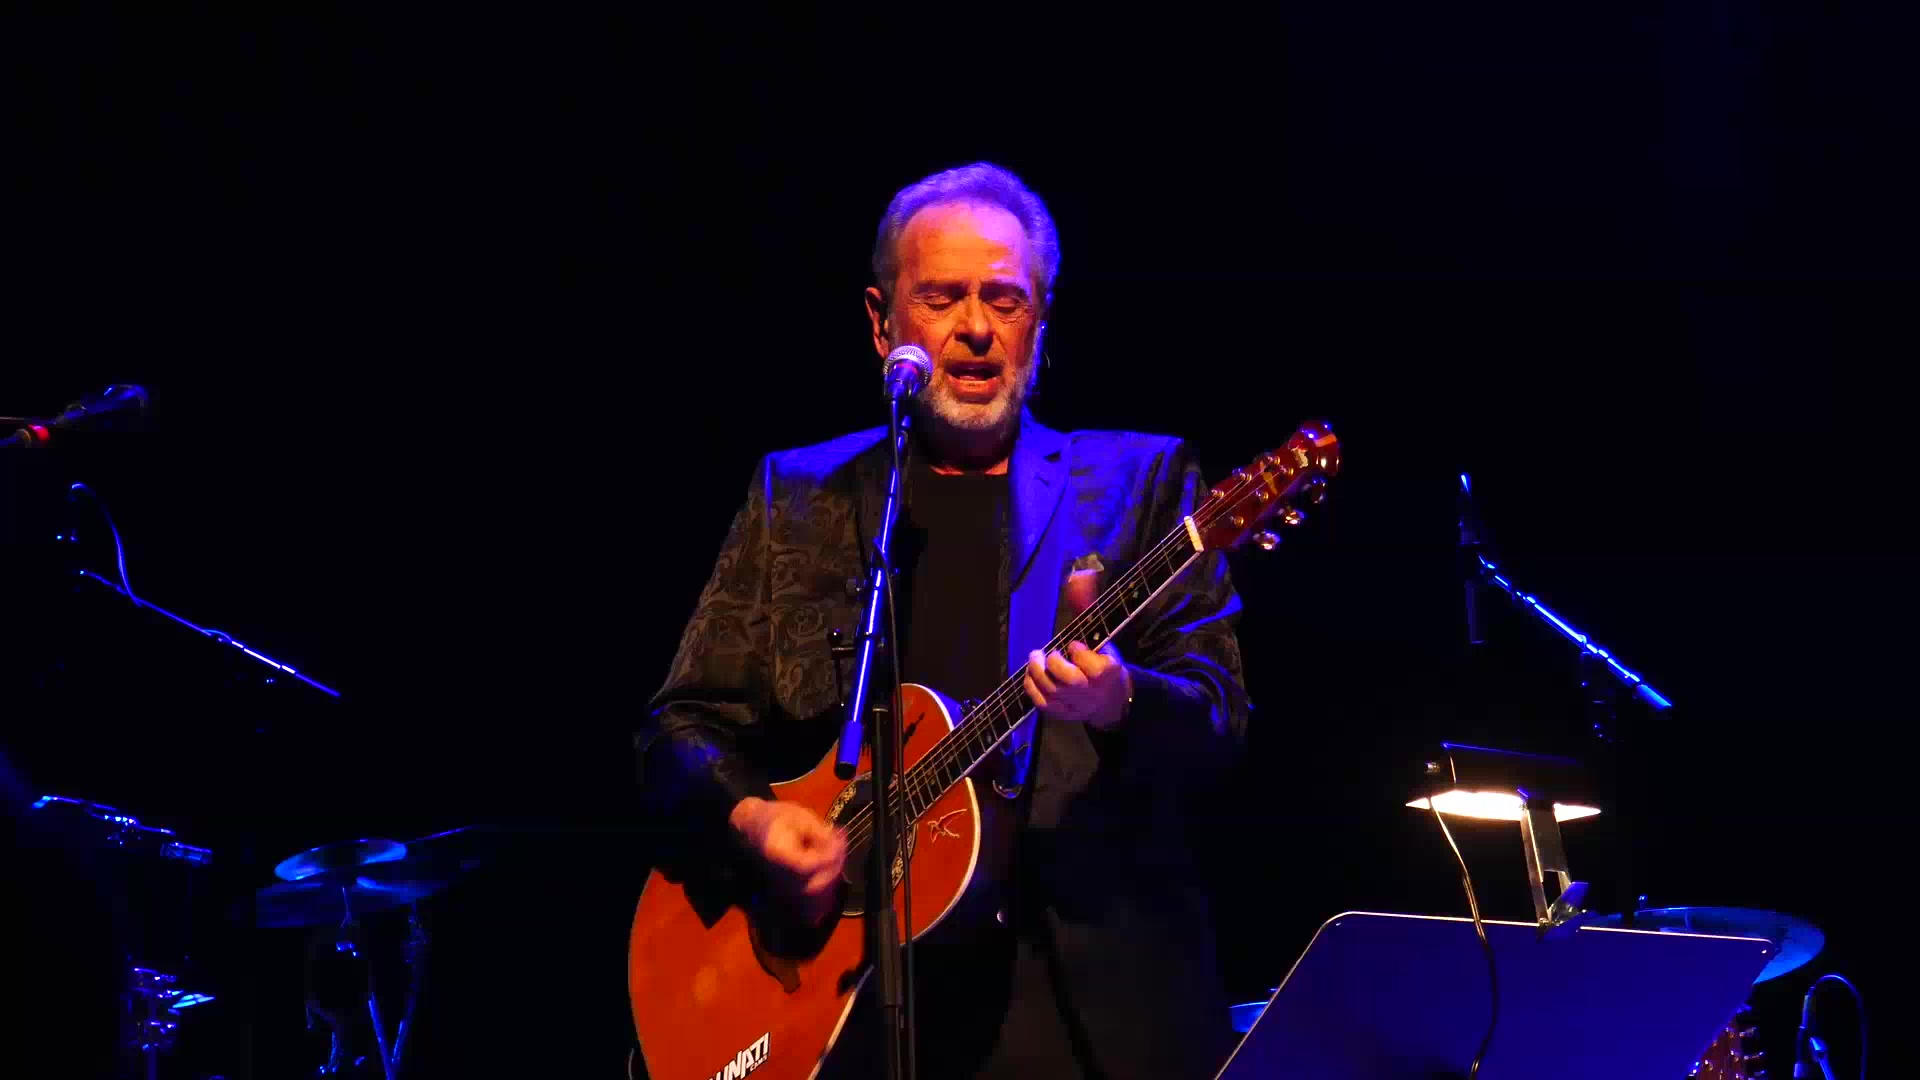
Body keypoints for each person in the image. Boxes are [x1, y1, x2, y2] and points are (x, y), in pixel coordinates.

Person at [636, 162, 1252, 1080]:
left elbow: (1221, 718)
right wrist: (756, 820)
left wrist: (1120, 700)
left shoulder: (1139, 484)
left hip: (1084, 1013)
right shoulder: (799, 495)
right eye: (942, 297)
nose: (975, 328)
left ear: (1041, 320)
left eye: (1005, 299)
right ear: (882, 322)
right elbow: (678, 731)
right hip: (840, 1010)